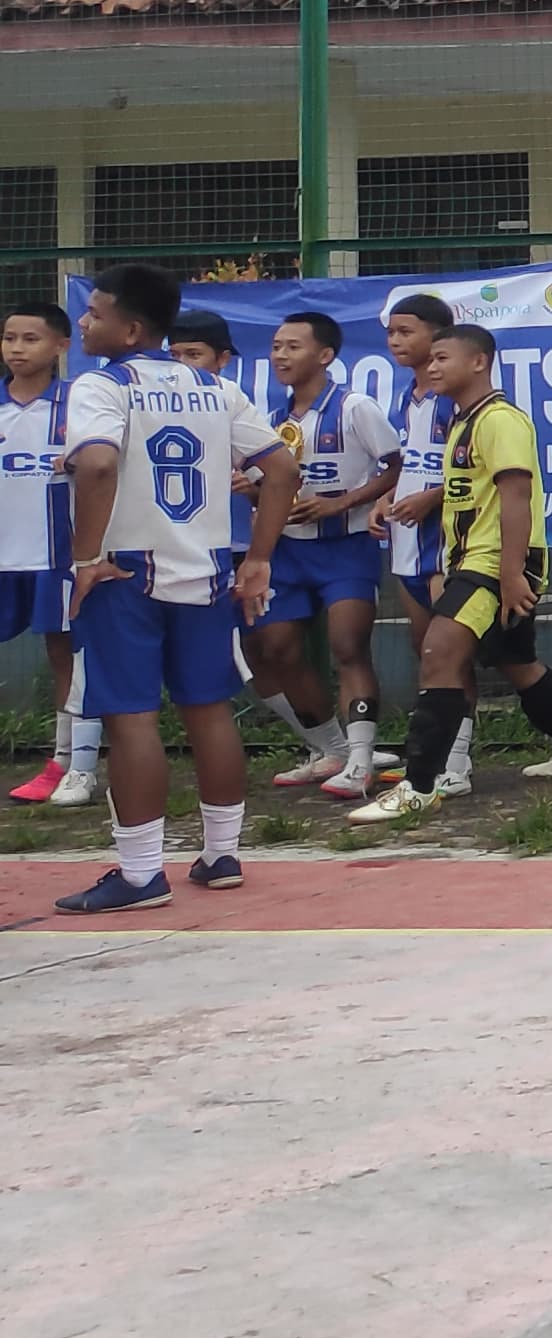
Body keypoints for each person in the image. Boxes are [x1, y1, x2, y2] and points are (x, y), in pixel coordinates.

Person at [52, 264, 295, 912]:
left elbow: (100, 463)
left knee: (130, 714)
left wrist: (86, 558)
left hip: (124, 568)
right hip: (209, 564)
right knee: (208, 707)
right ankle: (221, 855)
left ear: (129, 328)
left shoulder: (100, 386)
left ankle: (138, 873)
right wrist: (261, 558)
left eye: (94, 313)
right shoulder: (213, 387)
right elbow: (282, 467)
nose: (83, 322)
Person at [358, 324, 552, 820]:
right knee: (519, 664)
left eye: (442, 358)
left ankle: (420, 786)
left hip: (494, 563)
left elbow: (516, 497)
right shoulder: (462, 422)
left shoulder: (499, 420)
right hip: (476, 562)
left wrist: (512, 573)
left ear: (479, 362)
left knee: (438, 650)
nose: (431, 367)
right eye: (428, 360)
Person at [165, 310, 348, 789]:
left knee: (269, 649)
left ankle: (342, 749)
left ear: (223, 360)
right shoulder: (150, 407)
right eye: (174, 356)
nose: (182, 366)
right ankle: (326, 745)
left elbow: (280, 475)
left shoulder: (230, 404)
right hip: (174, 552)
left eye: (194, 355)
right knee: (249, 656)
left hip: (237, 551)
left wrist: (253, 521)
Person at [253, 310, 399, 805]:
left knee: (347, 646)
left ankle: (361, 761)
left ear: (325, 355)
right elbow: (271, 485)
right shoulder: (273, 419)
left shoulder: (355, 407)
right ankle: (331, 749)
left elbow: (396, 468)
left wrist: (343, 501)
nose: (279, 355)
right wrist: (252, 491)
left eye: (292, 346)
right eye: (275, 346)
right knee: (276, 649)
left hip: (346, 547)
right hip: (290, 551)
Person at [369, 291, 473, 801]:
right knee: (422, 645)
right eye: (391, 332)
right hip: (407, 539)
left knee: (448, 651)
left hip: (446, 540)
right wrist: (386, 497)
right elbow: (410, 463)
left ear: (439, 336)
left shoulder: (458, 396)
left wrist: (431, 498)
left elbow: (474, 469)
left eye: (406, 331)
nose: (395, 341)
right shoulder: (406, 396)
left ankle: (457, 761)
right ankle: (432, 756)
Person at [1, 296, 94, 810]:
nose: (17, 348)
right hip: (3, 554)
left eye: (30, 338)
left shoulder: (78, 407)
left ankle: (65, 763)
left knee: (65, 657)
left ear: (61, 346)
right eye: (10, 337)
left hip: (54, 557)